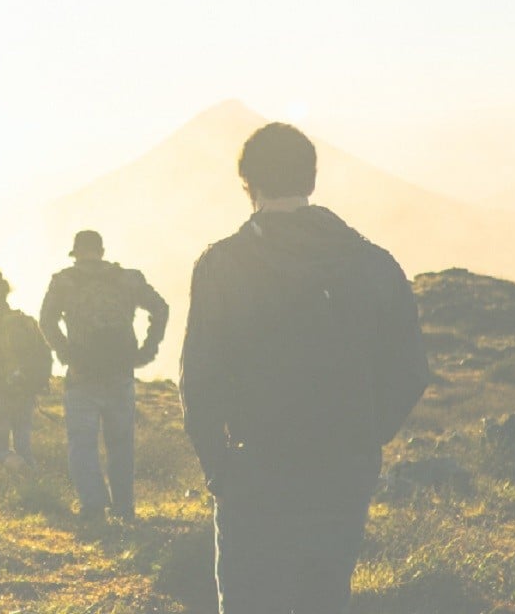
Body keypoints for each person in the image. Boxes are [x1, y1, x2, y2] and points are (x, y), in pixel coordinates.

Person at [179, 123, 430, 613]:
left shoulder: (221, 266)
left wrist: (219, 469)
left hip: (253, 471)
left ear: (247, 183)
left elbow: (200, 382)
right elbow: (410, 371)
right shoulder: (372, 262)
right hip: (340, 471)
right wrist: (363, 438)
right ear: (311, 181)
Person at [40, 230, 169, 522]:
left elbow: (46, 321)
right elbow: (161, 309)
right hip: (120, 372)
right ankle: (124, 509)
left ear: (76, 252)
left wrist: (67, 356)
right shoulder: (127, 279)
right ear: (101, 250)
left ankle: (94, 508)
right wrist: (146, 351)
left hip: (81, 375)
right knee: (121, 445)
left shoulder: (64, 281)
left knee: (82, 444)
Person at [0, 270, 51, 473]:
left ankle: (21, 469)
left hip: (1, 394)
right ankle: (38, 489)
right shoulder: (23, 320)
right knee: (23, 446)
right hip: (25, 391)